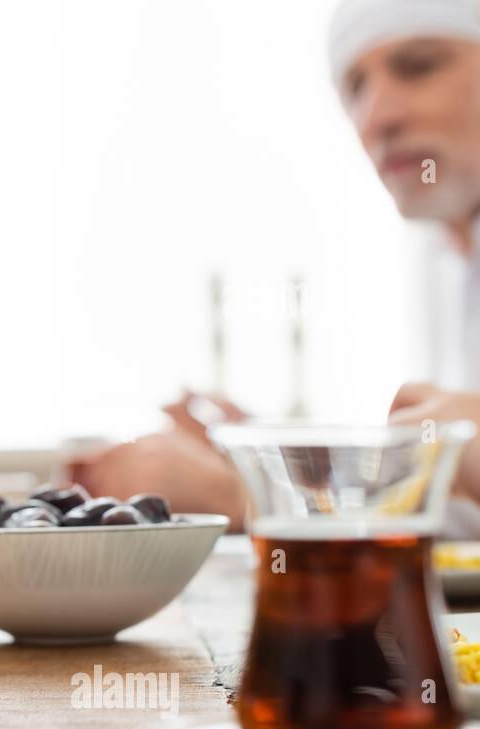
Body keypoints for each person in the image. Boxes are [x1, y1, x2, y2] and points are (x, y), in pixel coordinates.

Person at [73, 0, 480, 529]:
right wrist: (270, 465)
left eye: (420, 66)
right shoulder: (450, 261)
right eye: (354, 88)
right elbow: (460, 517)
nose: (378, 116)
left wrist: (246, 498)